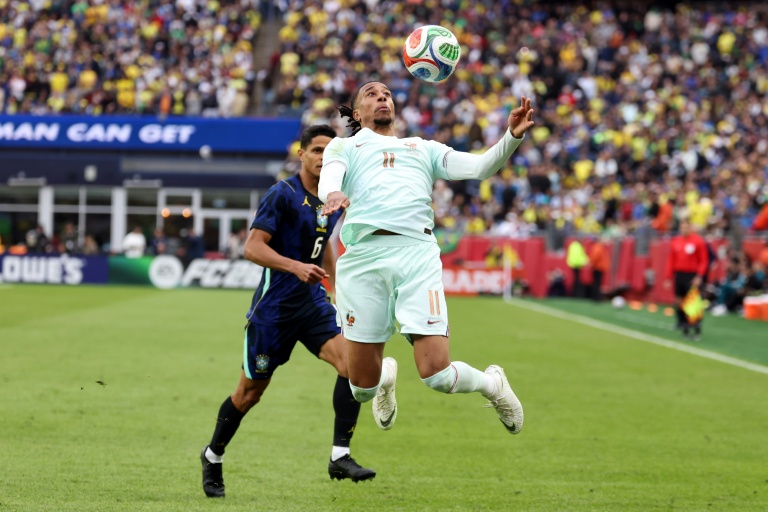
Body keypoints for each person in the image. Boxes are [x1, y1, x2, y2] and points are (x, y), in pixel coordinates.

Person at [318, 82, 534, 439]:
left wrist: (511, 136)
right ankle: (385, 379)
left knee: (436, 374)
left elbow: (480, 167)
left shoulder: (423, 148)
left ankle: (492, 384)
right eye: (371, 94)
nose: (382, 97)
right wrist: (335, 192)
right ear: (357, 114)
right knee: (361, 388)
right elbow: (330, 177)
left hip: (416, 254)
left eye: (386, 93)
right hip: (362, 260)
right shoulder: (346, 145)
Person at [200, 125, 375, 499]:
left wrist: (337, 289)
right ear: (301, 154)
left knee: (353, 367)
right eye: (316, 150)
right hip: (274, 311)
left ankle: (339, 455)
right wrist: (295, 267)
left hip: (312, 306)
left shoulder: (330, 198)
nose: (323, 157)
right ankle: (213, 454)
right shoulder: (281, 194)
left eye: (329, 151)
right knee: (249, 394)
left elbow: (324, 243)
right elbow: (252, 247)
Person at [664, 219, 708, 339]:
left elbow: (703, 260)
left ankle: (696, 328)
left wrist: (699, 275)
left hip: (692, 275)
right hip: (679, 275)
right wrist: (668, 277)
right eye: (682, 227)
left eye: (687, 227)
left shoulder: (698, 241)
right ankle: (684, 325)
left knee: (693, 302)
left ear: (690, 228)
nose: (685, 229)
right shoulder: (675, 242)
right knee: (679, 301)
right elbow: (671, 261)